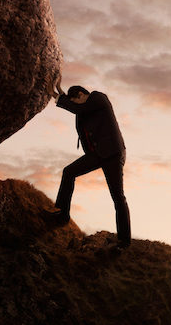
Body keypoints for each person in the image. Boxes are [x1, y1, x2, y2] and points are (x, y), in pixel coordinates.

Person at [46, 76, 131, 252]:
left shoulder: (98, 98)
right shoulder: (83, 108)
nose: (76, 104)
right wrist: (61, 93)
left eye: (76, 99)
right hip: (98, 154)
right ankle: (63, 214)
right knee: (69, 172)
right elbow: (76, 108)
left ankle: (124, 241)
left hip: (113, 153)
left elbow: (78, 108)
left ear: (82, 94)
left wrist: (56, 95)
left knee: (118, 196)